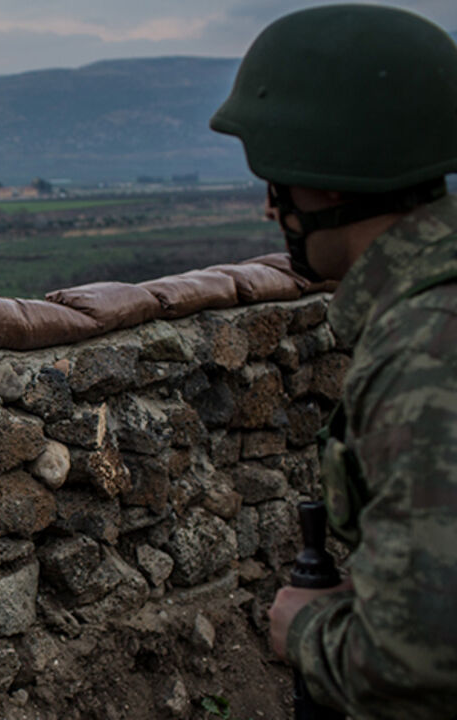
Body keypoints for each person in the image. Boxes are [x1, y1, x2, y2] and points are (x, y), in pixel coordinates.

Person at [210, 5, 457, 718]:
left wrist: (309, 631)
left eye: (276, 180)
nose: (270, 211)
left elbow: (421, 665)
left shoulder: (424, 350)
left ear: (327, 181)